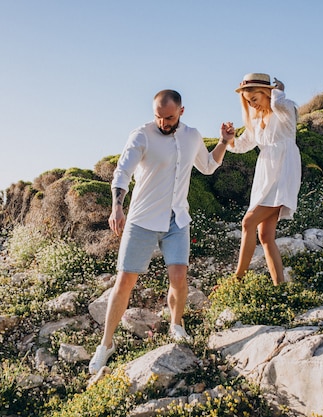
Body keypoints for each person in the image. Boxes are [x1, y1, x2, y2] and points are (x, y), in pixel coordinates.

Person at [88, 89, 235, 374]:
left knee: (179, 277)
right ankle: (106, 344)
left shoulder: (192, 136)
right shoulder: (142, 135)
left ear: (181, 111)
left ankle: (176, 324)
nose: (163, 123)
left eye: (168, 117)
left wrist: (224, 143)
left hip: (177, 220)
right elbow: (122, 173)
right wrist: (117, 207)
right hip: (142, 220)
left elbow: (207, 166)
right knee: (124, 282)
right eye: (158, 117)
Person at [226, 73, 301, 286]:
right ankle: (281, 287)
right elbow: (242, 146)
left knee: (248, 222)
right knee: (265, 236)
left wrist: (278, 91)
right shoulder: (256, 121)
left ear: (267, 93)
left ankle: (237, 279)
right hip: (266, 176)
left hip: (283, 175)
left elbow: (280, 103)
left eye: (255, 100)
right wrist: (230, 140)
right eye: (249, 102)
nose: (253, 106)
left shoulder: (284, 112)